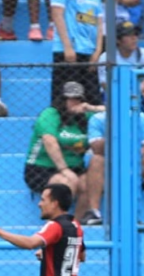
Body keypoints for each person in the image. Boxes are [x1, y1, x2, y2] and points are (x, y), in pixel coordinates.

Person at [23, 81, 104, 223]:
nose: (74, 102)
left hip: (75, 168)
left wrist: (91, 108)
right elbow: (50, 141)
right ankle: (56, 229)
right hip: (42, 168)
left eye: (78, 99)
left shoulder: (85, 116)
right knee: (64, 183)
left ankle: (74, 228)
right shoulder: (50, 114)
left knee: (86, 183)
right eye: (70, 99)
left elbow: (118, 113)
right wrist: (64, 169)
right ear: (63, 99)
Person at [50, 0, 103, 106]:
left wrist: (98, 50)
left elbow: (99, 20)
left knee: (92, 100)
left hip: (89, 52)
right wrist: (67, 46)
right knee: (65, 101)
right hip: (69, 50)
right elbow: (57, 14)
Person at [98, 21, 144, 94]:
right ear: (117, 40)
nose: (134, 38)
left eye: (136, 34)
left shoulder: (142, 54)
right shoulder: (106, 57)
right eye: (129, 35)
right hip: (114, 96)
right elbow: (105, 84)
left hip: (138, 95)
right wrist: (125, 95)